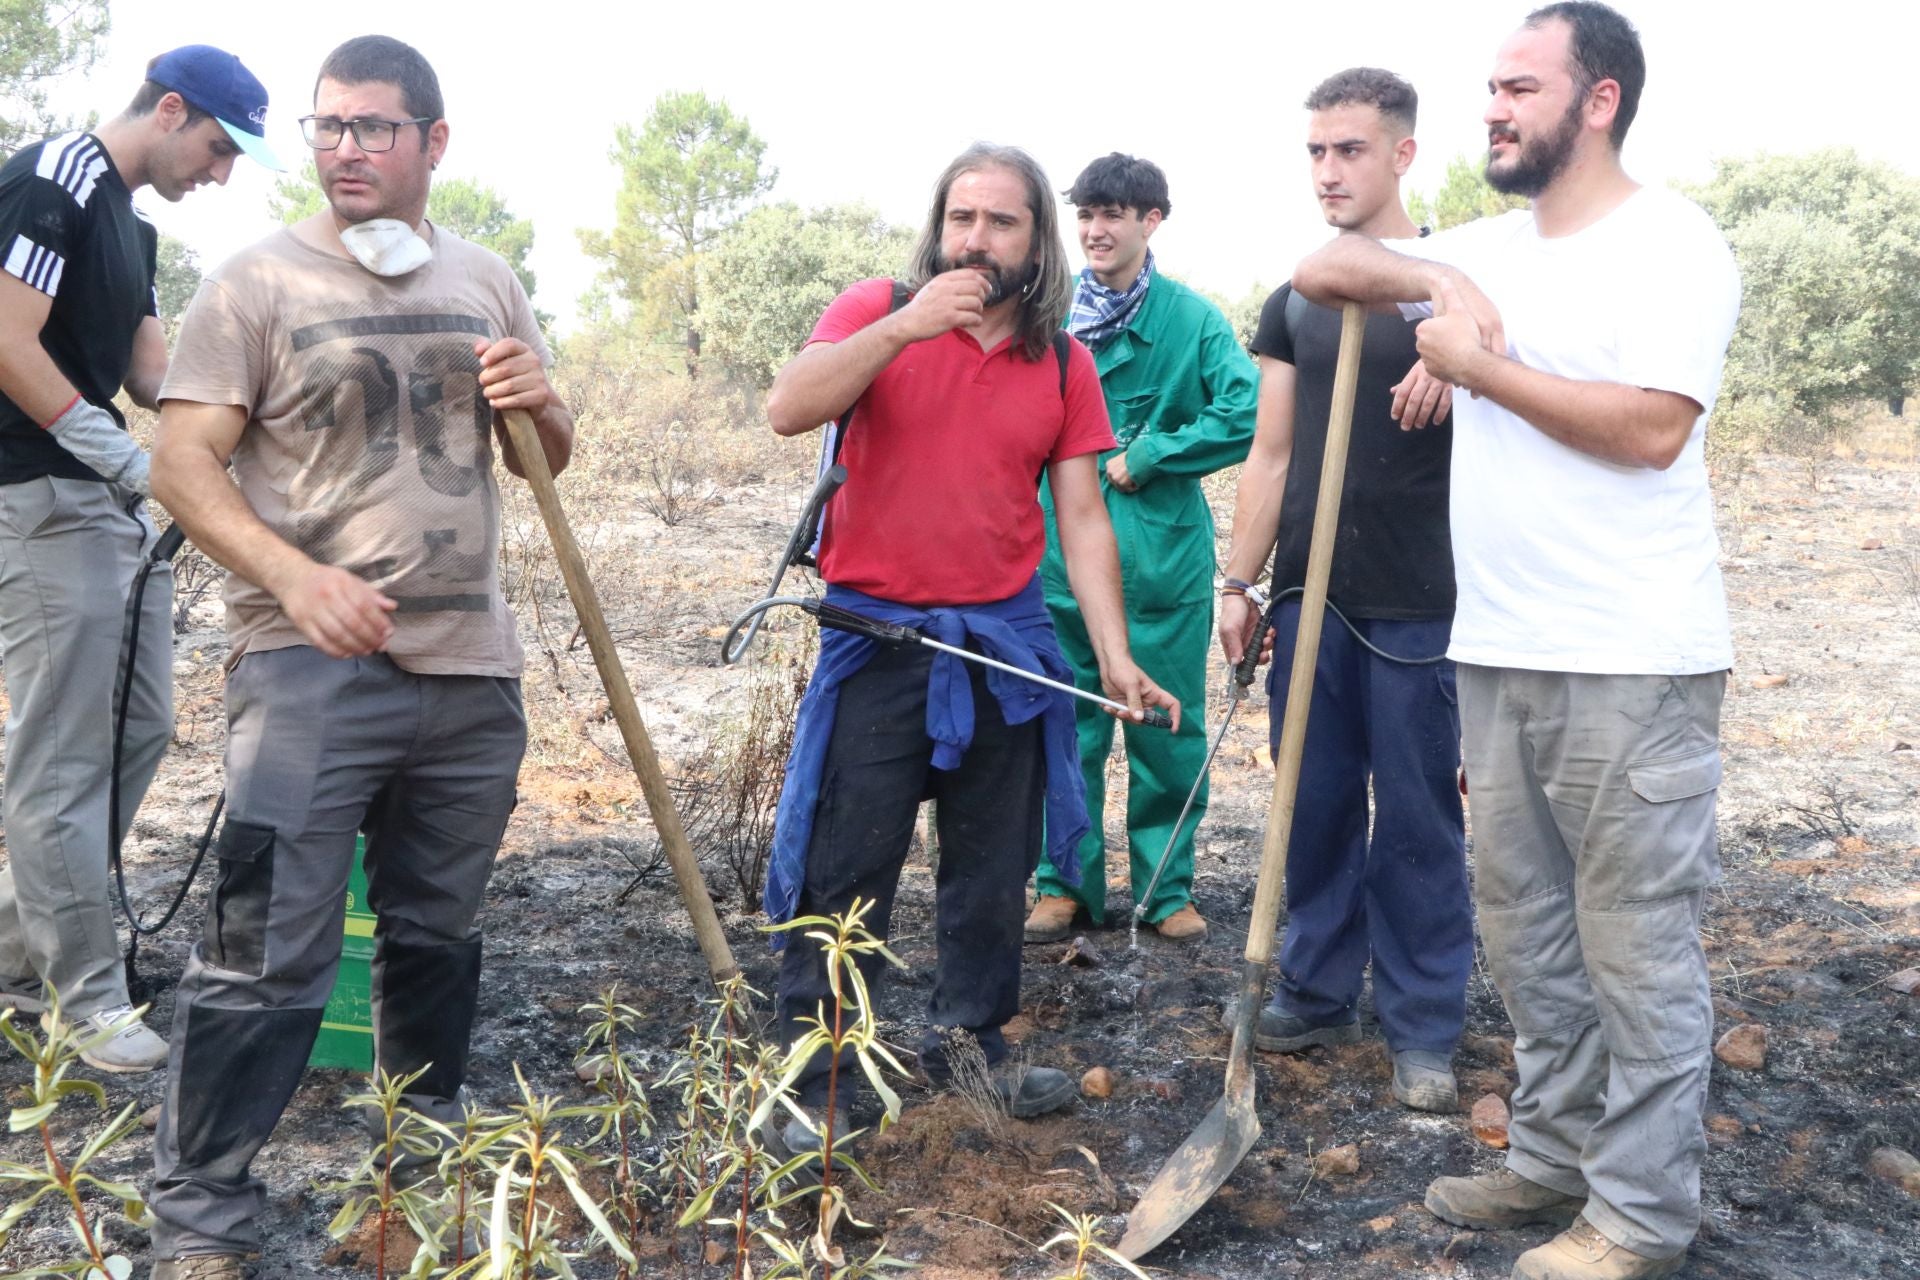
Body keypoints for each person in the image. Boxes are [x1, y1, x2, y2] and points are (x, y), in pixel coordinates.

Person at [1294, 5, 1740, 1277]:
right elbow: (1319, 269)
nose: (1492, 107)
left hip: (1632, 660)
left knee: (1635, 946)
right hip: (1496, 647)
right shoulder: (1485, 245)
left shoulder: (1672, 243)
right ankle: (1549, 1154)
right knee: (1530, 929)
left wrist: (1481, 368)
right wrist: (1442, 280)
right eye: (1489, 85)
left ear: (1599, 101)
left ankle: (1639, 1215)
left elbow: (1652, 429)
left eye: (1521, 87)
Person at [143, 35, 573, 1276]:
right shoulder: (255, 283)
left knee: (437, 933)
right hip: (305, 672)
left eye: (372, 128)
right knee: (260, 949)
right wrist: (294, 577)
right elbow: (181, 465)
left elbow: (546, 458)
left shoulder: (487, 278)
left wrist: (540, 401)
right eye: (328, 127)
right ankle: (201, 1221)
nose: (345, 150)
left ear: (433, 141)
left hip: (471, 670)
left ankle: (416, 1172)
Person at [762, 142, 1179, 1152]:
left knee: (992, 869)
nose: (977, 239)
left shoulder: (1064, 362)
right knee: (845, 863)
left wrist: (1114, 654)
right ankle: (819, 1072)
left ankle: (971, 1046)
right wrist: (905, 327)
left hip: (1004, 645)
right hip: (876, 638)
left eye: (1001, 221)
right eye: (962, 218)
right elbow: (789, 406)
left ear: (1037, 240)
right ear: (938, 226)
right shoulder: (875, 309)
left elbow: (1083, 517)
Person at [0, 45, 279, 1073]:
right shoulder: (58, 176)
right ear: (170, 110)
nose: (221, 173)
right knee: (61, 757)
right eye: (217, 147)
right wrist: (117, 453)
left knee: (139, 729)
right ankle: (83, 999)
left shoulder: (135, 225)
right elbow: (7, 335)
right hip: (38, 496)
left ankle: (14, 952)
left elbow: (151, 372)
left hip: (110, 505)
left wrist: (264, 402)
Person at [1217, 68, 1470, 1114]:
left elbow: (1519, 399)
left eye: (1351, 150)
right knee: (1311, 801)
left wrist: (1463, 358)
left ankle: (1424, 1023)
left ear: (1402, 154)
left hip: (1423, 597)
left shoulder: (1460, 288)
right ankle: (1316, 989)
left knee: (1417, 815)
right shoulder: (1296, 301)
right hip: (1310, 595)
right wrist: (1240, 580)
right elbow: (1271, 452)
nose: (1329, 170)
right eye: (1317, 151)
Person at [1024, 153, 1256, 947]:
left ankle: (1165, 889)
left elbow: (1247, 411)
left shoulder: (1192, 320)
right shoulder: (1047, 318)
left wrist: (1155, 451)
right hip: (1056, 561)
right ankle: (1064, 885)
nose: (1096, 230)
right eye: (1086, 214)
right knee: (1067, 726)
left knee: (1166, 729)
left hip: (1162, 568)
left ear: (1151, 221)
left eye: (1114, 215)